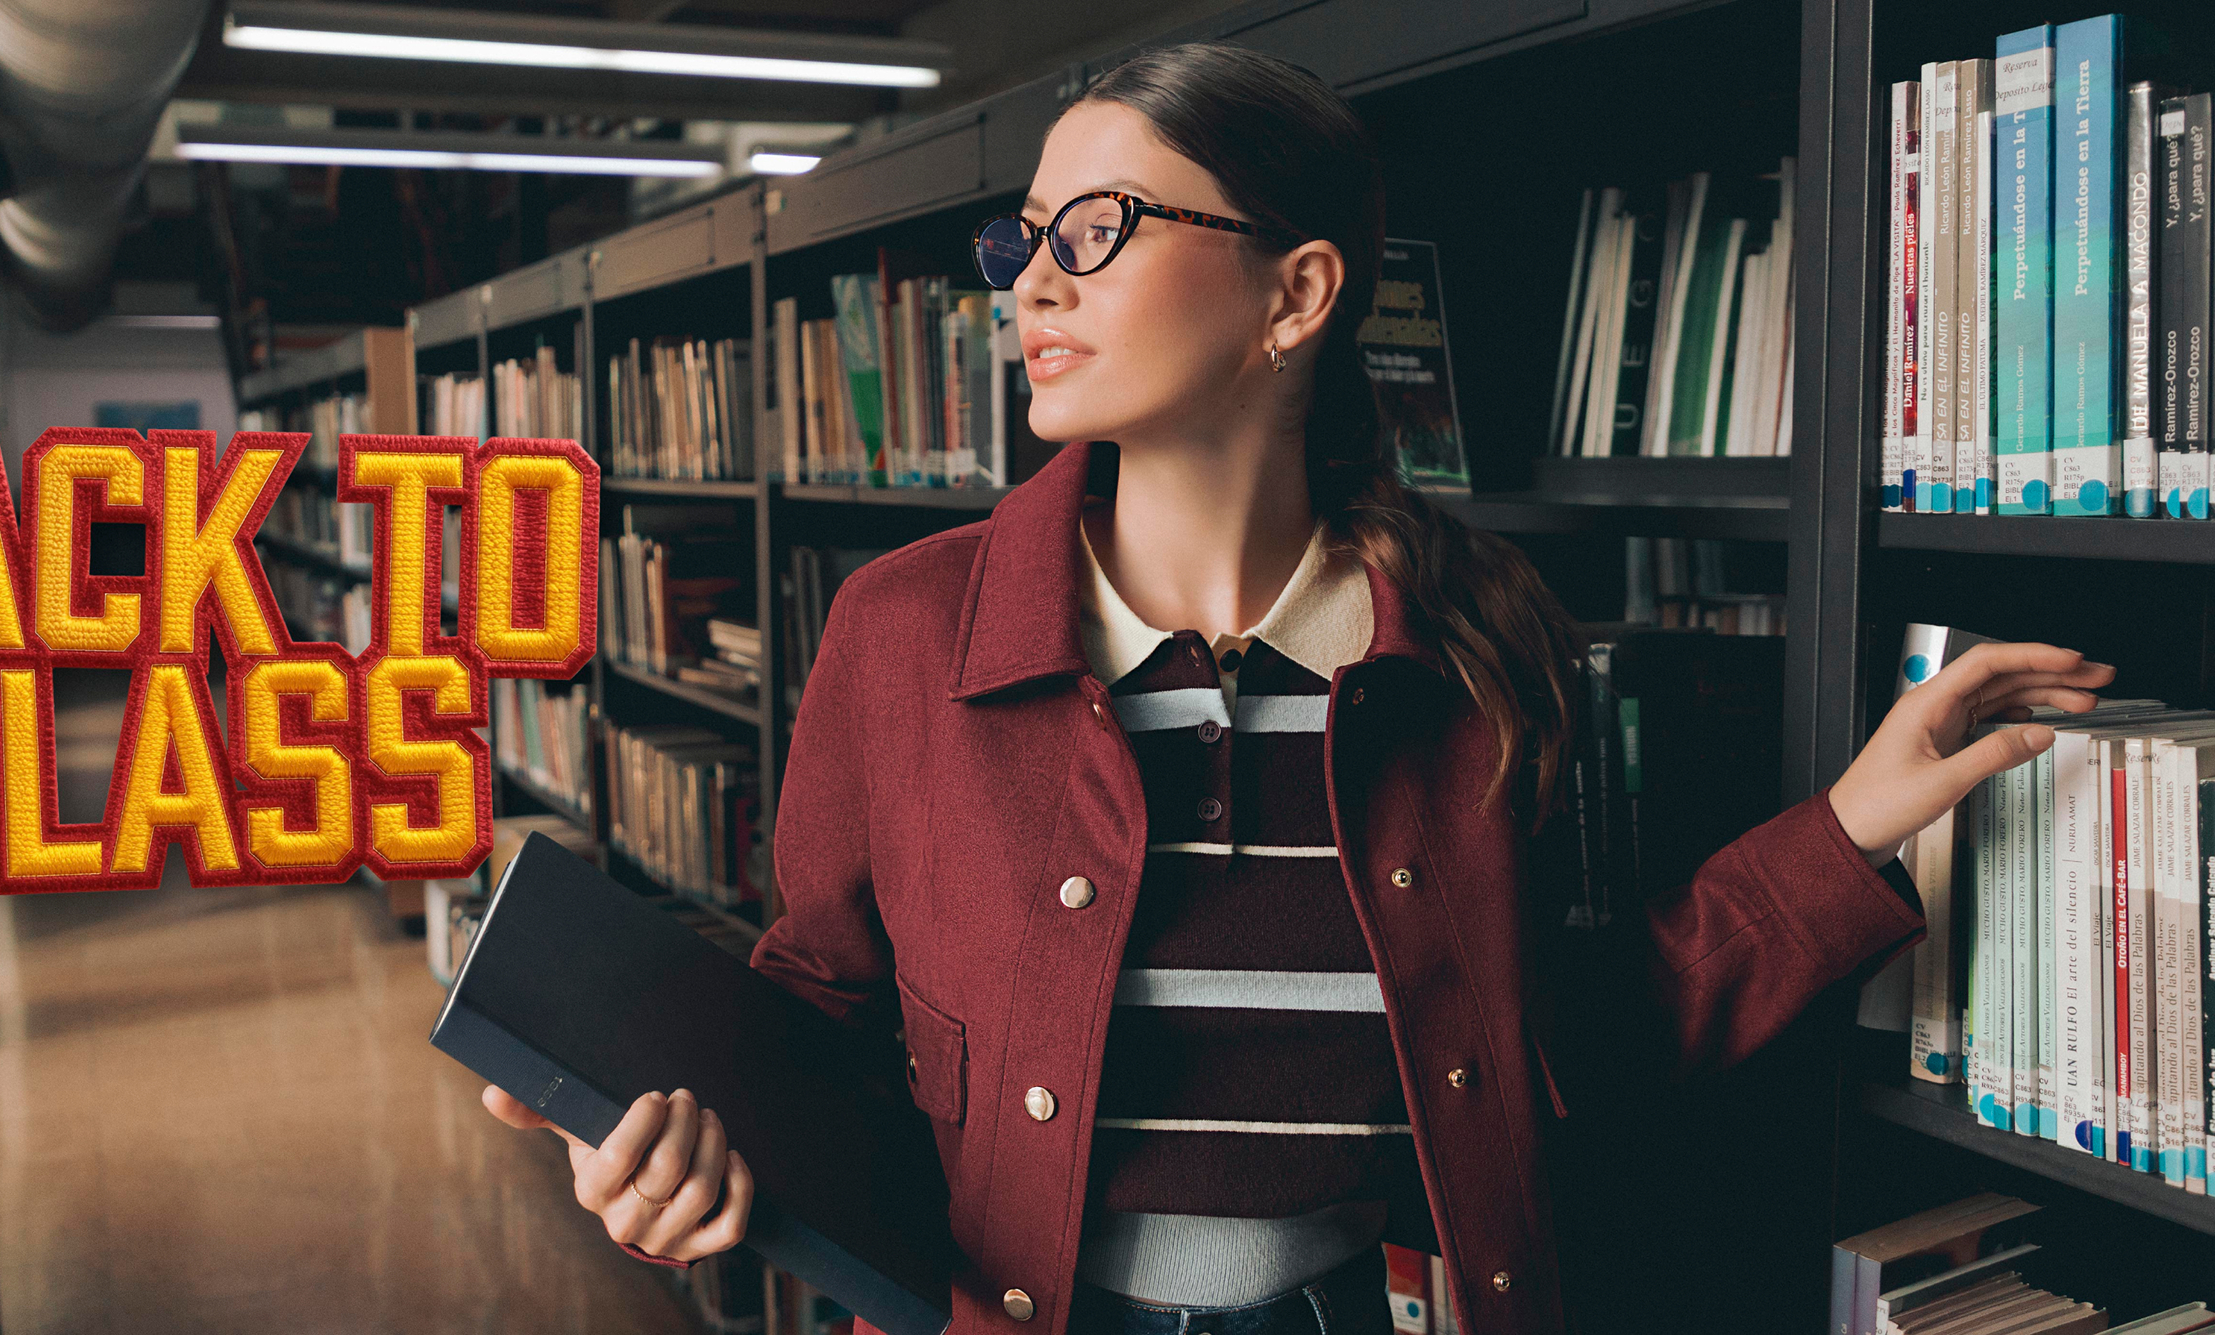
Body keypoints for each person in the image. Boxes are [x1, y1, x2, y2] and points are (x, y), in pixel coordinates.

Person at [483, 40, 2113, 1335]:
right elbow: (819, 1020)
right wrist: (676, 1154)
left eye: (1096, 230)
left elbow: (1570, 1045)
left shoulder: (1475, 642)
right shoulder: (905, 631)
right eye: (1022, 240)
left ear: (1297, 293)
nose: (1030, 285)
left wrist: (1853, 824)